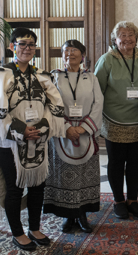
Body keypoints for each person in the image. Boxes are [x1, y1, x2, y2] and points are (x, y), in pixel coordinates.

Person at [0, 28, 77, 251]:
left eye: (31, 45)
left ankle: (34, 228)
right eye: (22, 44)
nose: (27, 48)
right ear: (11, 46)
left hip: (38, 140)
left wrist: (43, 127)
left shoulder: (42, 75)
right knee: (15, 188)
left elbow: (54, 105)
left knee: (37, 186)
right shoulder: (0, 75)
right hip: (12, 143)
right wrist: (21, 130)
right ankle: (18, 233)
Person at [94, 21, 138, 220]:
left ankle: (133, 200)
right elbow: (97, 91)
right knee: (116, 163)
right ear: (115, 39)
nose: (127, 39)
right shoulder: (106, 60)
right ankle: (119, 201)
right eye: (122, 35)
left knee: (136, 163)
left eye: (131, 35)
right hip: (114, 121)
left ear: (136, 38)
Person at [44, 40, 104, 234]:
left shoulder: (91, 78)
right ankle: (68, 216)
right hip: (63, 134)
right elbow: (49, 105)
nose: (70, 53)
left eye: (74, 50)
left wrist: (84, 128)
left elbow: (98, 104)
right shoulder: (54, 78)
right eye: (66, 50)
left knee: (85, 177)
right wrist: (67, 127)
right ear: (62, 55)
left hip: (86, 133)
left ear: (83, 54)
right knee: (64, 176)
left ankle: (82, 215)